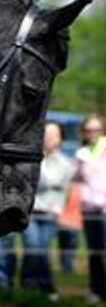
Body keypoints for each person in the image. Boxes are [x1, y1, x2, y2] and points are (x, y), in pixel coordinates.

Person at [20, 120, 75, 300]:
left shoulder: (67, 164)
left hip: (51, 214)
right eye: (46, 134)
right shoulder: (33, 161)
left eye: (54, 135)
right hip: (31, 212)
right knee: (35, 247)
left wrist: (60, 207)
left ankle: (26, 283)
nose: (50, 138)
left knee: (39, 250)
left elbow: (66, 189)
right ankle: (47, 287)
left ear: (60, 138)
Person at [75, 114, 106, 303]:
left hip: (105, 210)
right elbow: (78, 179)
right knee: (94, 252)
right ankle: (96, 289)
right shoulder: (82, 153)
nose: (92, 133)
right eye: (88, 130)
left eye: (96, 129)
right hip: (88, 210)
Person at [57, 179, 82, 273]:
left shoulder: (72, 188)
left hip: (72, 221)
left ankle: (67, 267)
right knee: (69, 246)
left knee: (67, 246)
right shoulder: (77, 188)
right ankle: (67, 267)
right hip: (68, 221)